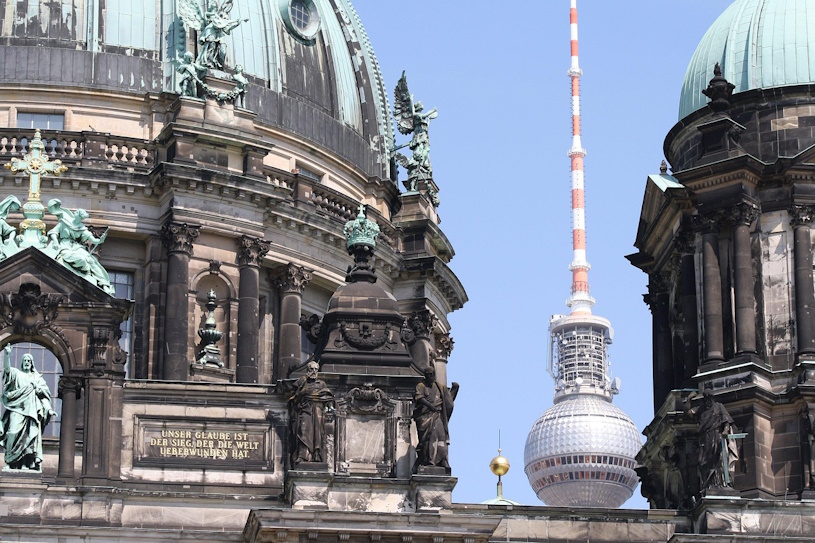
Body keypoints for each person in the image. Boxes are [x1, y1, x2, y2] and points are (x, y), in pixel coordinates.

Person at [0, 344, 57, 471]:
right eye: (24, 360)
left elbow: (44, 396)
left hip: (32, 412)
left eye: (29, 361)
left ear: (32, 363)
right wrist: (7, 355)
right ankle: (11, 462)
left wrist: (49, 409)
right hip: (17, 409)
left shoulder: (37, 378)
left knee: (30, 437)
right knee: (12, 432)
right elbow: (7, 371)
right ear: (22, 363)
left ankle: (27, 463)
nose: (26, 363)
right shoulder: (17, 374)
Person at [45, 199, 114, 296]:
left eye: (79, 215)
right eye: (78, 213)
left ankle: (105, 284)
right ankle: (84, 271)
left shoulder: (82, 229)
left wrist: (101, 240)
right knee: (80, 259)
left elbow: (94, 241)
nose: (77, 214)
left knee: (92, 261)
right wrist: (56, 241)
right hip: (64, 246)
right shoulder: (64, 222)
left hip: (76, 247)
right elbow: (53, 232)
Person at [689, 389, 739, 490]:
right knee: (702, 461)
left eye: (710, 398)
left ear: (712, 398)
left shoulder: (719, 406)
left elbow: (726, 420)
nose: (708, 401)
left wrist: (725, 431)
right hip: (704, 438)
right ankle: (707, 484)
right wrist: (689, 399)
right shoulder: (701, 409)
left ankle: (719, 483)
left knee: (717, 459)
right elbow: (689, 412)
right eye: (706, 399)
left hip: (716, 435)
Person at [412, 365, 458, 472]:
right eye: (428, 375)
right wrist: (429, 406)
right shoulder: (421, 386)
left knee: (441, 436)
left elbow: (448, 401)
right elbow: (419, 398)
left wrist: (455, 389)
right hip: (425, 417)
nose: (430, 377)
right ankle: (429, 460)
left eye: (432, 375)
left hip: (437, 415)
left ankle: (442, 460)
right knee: (428, 438)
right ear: (425, 376)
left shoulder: (439, 387)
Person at [289, 361, 333, 464]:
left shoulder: (321, 384)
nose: (313, 371)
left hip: (318, 409)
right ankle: (303, 455)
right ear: (307, 370)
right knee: (303, 430)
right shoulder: (302, 382)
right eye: (311, 369)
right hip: (305, 409)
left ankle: (316, 455)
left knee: (318, 433)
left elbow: (328, 396)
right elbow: (293, 398)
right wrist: (302, 392)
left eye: (316, 369)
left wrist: (330, 407)